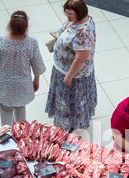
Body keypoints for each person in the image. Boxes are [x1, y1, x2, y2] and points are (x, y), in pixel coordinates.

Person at [0, 11, 46, 126]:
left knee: (6, 114)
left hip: (4, 88)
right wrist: (36, 79)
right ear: (26, 26)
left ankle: (8, 137)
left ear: (10, 24)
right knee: (21, 111)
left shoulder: (0, 42)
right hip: (23, 86)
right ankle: (22, 136)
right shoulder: (31, 42)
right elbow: (37, 64)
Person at [45, 0, 97, 131]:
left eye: (71, 14)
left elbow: (81, 58)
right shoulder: (79, 19)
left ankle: (68, 126)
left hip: (74, 75)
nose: (67, 16)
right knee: (67, 101)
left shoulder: (83, 33)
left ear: (79, 13)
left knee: (70, 101)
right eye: (66, 12)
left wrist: (69, 77)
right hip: (63, 69)